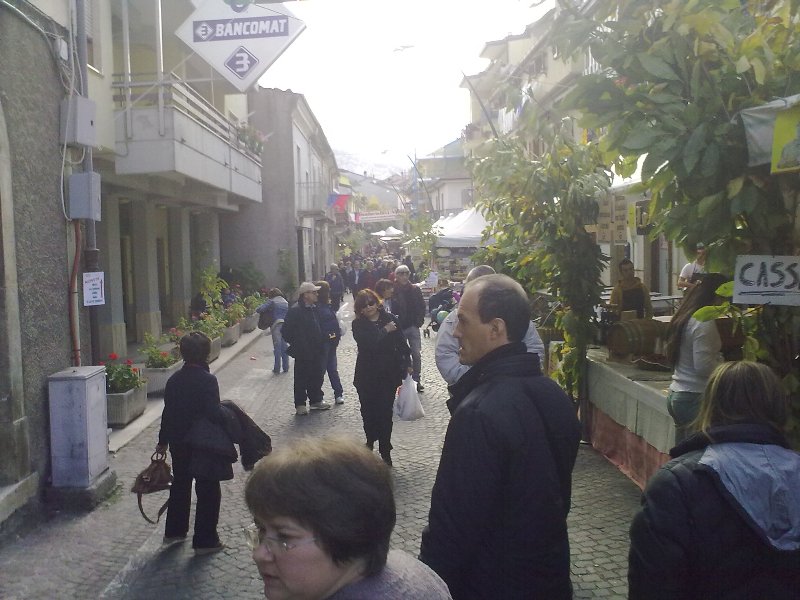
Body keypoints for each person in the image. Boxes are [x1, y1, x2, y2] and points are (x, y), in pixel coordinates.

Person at [419, 274, 580, 599]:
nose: (455, 331)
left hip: (491, 583)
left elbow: (452, 527)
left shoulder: (478, 413)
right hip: (549, 575)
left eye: (463, 321)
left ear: (496, 329)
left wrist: (428, 588)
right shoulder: (555, 396)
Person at [628, 361, 800, 599]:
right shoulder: (676, 483)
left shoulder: (673, 484)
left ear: (710, 406)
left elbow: (653, 586)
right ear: (778, 407)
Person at [244, 436, 453, 600]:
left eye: (284, 537)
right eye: (261, 530)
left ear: (347, 537)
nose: (259, 554)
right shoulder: (412, 571)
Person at [156, 332, 226, 555]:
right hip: (202, 442)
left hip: (178, 441)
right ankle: (205, 541)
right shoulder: (208, 380)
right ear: (206, 354)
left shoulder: (174, 380)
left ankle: (174, 531)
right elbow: (213, 413)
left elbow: (168, 413)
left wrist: (162, 442)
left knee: (180, 484)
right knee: (208, 488)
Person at [435, 266, 545, 396]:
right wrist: (475, 380)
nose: (456, 332)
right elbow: (445, 355)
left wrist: (506, 378)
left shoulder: (517, 317)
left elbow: (534, 349)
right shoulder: (454, 319)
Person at [665, 272, 728, 443]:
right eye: (724, 298)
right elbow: (703, 366)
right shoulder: (703, 322)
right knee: (696, 453)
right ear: (716, 296)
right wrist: (726, 367)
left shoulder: (687, 315)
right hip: (694, 398)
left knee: (682, 453)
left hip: (678, 393)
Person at [351, 289, 411, 466]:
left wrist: (408, 362)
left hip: (388, 374)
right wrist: (385, 330)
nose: (368, 307)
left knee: (385, 412)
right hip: (366, 375)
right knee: (368, 411)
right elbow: (368, 343)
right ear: (360, 310)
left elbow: (401, 342)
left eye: (371, 303)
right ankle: (370, 440)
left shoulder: (390, 318)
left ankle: (385, 448)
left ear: (377, 303)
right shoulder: (358, 324)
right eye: (364, 306)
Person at [282, 282, 331, 416]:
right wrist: (298, 343)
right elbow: (286, 331)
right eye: (314, 292)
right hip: (303, 351)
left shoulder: (315, 308)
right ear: (305, 295)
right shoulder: (296, 310)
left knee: (316, 376)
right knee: (301, 378)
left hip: (316, 349)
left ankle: (316, 400)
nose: (317, 294)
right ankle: (300, 404)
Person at [391, 264, 427, 392]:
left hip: (413, 326)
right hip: (399, 328)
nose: (404, 276)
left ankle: (416, 380)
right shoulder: (393, 290)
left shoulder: (415, 289)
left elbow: (422, 306)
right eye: (401, 274)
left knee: (416, 354)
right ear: (396, 276)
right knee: (401, 355)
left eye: (406, 273)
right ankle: (404, 379)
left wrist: (419, 321)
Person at [315, 280, 344, 405]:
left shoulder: (326, 305)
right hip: (324, 342)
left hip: (331, 341)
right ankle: (319, 396)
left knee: (332, 369)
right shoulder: (318, 307)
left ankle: (338, 393)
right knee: (322, 370)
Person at [257, 288, 290, 374]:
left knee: (277, 347)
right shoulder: (285, 302)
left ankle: (277, 368)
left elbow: (260, 309)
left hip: (276, 324)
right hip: (285, 324)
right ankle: (286, 367)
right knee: (284, 346)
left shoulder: (272, 301)